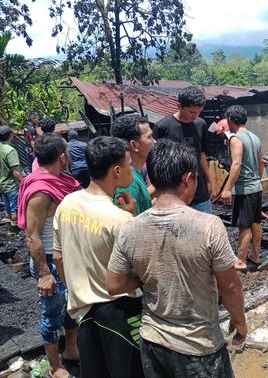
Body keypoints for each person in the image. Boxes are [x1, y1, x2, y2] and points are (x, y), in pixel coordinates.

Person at [106, 139, 246, 378]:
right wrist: (240, 322)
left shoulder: (130, 228)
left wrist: (147, 275)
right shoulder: (209, 226)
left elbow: (114, 284)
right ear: (187, 178)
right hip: (199, 347)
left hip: (153, 343)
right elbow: (230, 286)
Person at [53, 136, 143, 378]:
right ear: (116, 170)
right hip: (121, 314)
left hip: (83, 313)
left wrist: (78, 285)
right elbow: (141, 270)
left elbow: (59, 258)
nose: (132, 168)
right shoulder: (118, 219)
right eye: (128, 164)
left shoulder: (67, 205)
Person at [17, 133, 81, 378]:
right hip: (50, 261)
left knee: (72, 307)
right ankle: (54, 366)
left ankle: (72, 349)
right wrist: (44, 273)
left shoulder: (60, 181)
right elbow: (32, 236)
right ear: (63, 157)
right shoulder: (41, 191)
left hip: (67, 257)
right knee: (52, 313)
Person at [152, 86, 213, 213]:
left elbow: (201, 153)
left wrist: (209, 180)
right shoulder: (163, 127)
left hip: (199, 190)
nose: (195, 116)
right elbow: (155, 162)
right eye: (191, 112)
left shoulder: (200, 124)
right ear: (179, 106)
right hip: (173, 193)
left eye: (199, 112)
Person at [220, 105, 263, 271]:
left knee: (244, 226)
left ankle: (240, 260)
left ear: (230, 120)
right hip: (256, 187)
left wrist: (227, 189)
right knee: (256, 223)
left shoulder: (236, 139)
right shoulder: (255, 138)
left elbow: (236, 164)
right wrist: (257, 181)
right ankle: (256, 255)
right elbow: (261, 163)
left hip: (244, 190)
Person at [111, 114, 155, 215]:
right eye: (149, 137)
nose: (154, 141)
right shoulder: (128, 184)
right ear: (134, 145)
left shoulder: (135, 173)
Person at [0, 126, 22, 234]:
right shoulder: (10, 150)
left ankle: (10, 230)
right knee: (15, 208)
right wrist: (23, 181)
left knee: (7, 207)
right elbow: (15, 170)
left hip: (1, 184)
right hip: (10, 184)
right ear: (10, 136)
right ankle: (15, 231)